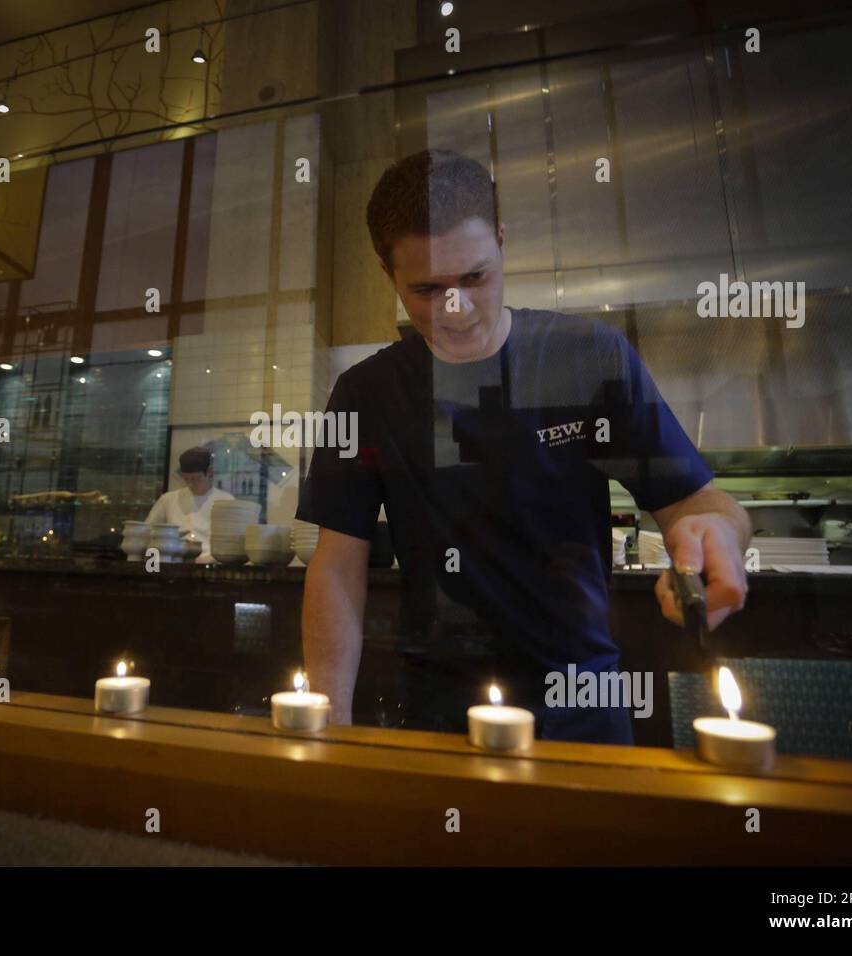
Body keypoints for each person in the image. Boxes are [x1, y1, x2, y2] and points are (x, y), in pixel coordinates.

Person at [295, 149, 751, 744]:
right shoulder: (366, 391)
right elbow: (337, 562)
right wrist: (329, 723)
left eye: (474, 278)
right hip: (441, 700)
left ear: (503, 242)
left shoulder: (589, 357)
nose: (455, 312)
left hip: (584, 691)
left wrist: (720, 536)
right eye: (427, 289)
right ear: (389, 276)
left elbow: (697, 504)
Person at [145, 447, 234, 558]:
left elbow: (232, 543)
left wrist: (213, 558)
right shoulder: (168, 499)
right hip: (173, 562)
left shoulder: (226, 501)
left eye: (195, 478)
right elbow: (146, 532)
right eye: (186, 479)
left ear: (210, 472)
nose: (190, 484)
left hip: (210, 563)